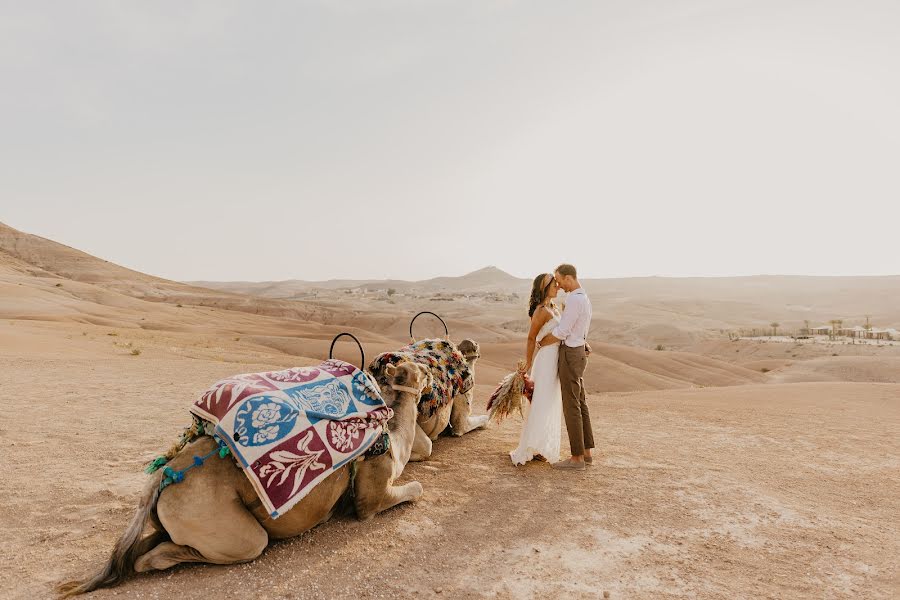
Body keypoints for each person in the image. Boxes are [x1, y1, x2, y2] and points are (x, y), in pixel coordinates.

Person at [537, 263, 594, 471]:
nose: (559, 286)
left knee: (571, 406)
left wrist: (542, 342)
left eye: (560, 280)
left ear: (569, 278)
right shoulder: (584, 298)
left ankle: (577, 459)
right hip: (578, 352)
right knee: (580, 402)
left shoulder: (574, 300)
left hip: (571, 354)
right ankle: (586, 453)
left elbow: (563, 331)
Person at [510, 273, 563, 465]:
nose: (558, 287)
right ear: (544, 287)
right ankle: (531, 446)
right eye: (554, 284)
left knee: (549, 402)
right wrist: (528, 363)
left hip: (555, 357)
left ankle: (540, 445)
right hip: (546, 360)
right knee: (541, 401)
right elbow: (532, 337)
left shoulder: (554, 307)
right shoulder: (541, 310)